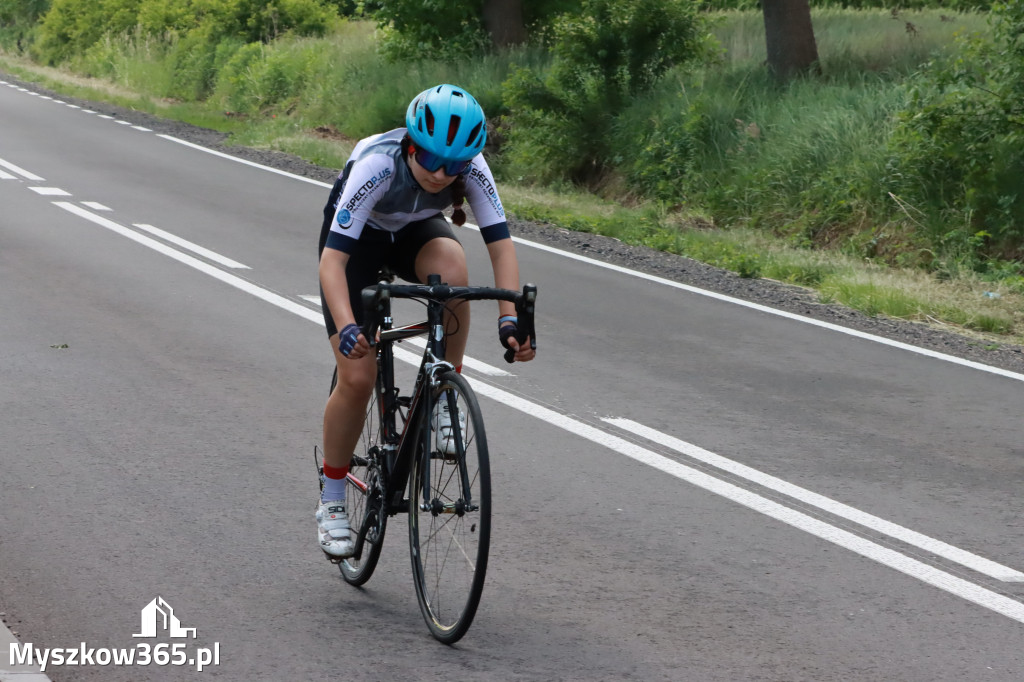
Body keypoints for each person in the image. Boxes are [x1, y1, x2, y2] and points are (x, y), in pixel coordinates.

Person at [316, 84, 536, 559]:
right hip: (359, 242)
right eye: (431, 160)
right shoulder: (377, 164)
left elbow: (501, 246)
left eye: (454, 165)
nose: (441, 174)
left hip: (413, 231)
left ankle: (442, 393)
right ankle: (332, 499)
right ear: (411, 146)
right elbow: (332, 264)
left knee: (454, 272)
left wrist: (510, 319)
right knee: (357, 375)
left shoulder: (470, 167)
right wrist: (349, 326)